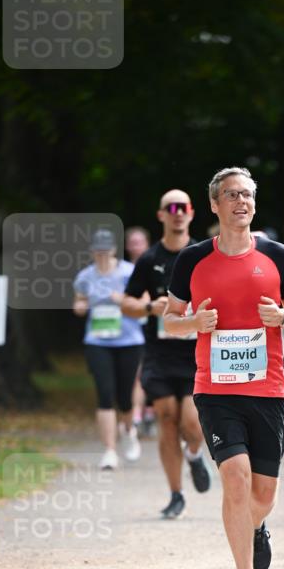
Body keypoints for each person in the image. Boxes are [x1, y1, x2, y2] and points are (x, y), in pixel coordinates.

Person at [164, 167, 284, 569]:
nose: (241, 202)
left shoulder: (277, 255)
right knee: (236, 477)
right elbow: (170, 319)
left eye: (247, 195)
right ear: (214, 204)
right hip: (216, 389)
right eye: (231, 195)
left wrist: (282, 319)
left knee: (262, 497)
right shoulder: (192, 259)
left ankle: (255, 527)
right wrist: (194, 324)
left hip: (268, 388)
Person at [121, 190, 211, 518]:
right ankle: (176, 494)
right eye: (170, 208)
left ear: (191, 213)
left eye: (183, 207)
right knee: (166, 419)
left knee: (191, 421)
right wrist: (149, 306)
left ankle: (195, 453)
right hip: (159, 354)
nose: (177, 213)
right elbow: (127, 303)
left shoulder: (203, 254)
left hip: (195, 353)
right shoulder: (149, 259)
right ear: (161, 215)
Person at [72, 229, 144, 470]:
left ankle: (129, 429)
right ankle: (110, 451)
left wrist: (122, 299)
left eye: (106, 251)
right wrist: (81, 307)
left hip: (129, 340)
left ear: (114, 250)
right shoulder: (85, 276)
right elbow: (78, 303)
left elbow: (144, 302)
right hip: (97, 341)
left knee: (124, 397)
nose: (102, 255)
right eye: (97, 251)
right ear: (92, 252)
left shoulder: (129, 272)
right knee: (104, 394)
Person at [124, 226, 153, 430]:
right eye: (132, 243)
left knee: (151, 369)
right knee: (137, 371)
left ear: (147, 244)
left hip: (154, 325)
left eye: (139, 242)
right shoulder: (123, 270)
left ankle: (149, 410)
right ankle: (137, 412)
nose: (136, 247)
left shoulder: (155, 265)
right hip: (130, 327)